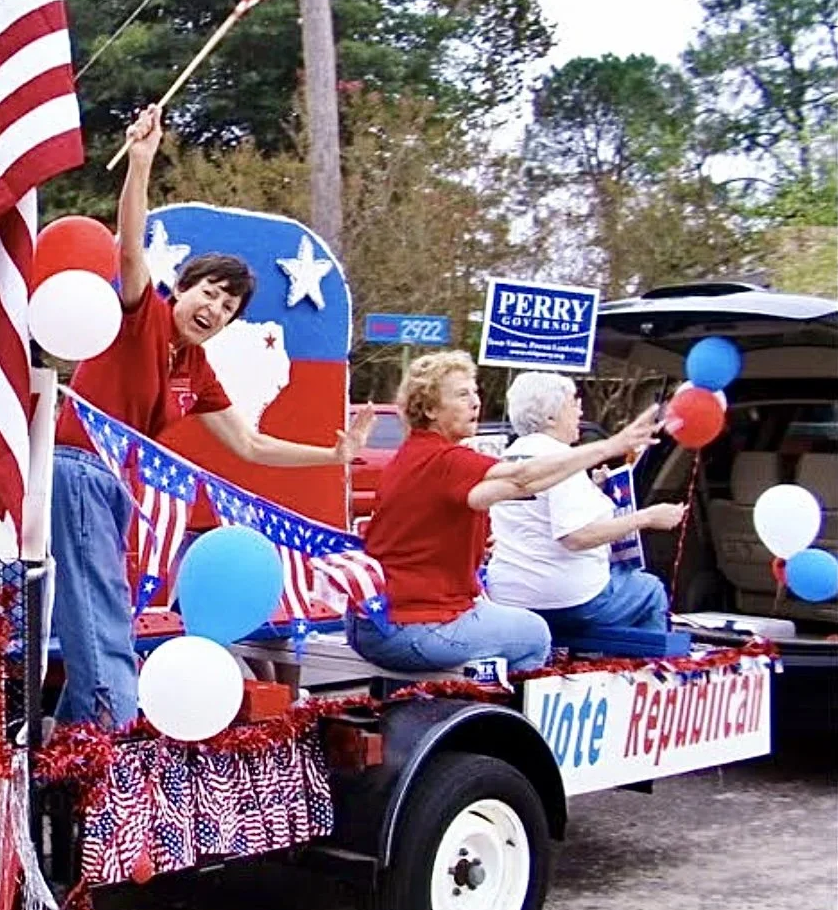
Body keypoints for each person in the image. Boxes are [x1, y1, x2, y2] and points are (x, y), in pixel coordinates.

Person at [51, 105, 373, 729]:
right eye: (209, 293)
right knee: (101, 620)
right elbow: (129, 246)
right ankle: (110, 739)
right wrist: (139, 164)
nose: (215, 308)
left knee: (100, 615)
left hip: (117, 485)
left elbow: (250, 445)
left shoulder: (196, 369)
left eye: (228, 306)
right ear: (185, 288)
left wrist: (332, 456)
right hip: (79, 466)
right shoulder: (140, 311)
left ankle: (69, 741)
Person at [353, 352, 662, 675]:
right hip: (411, 626)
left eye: (475, 392)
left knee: (508, 622)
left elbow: (506, 489)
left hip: (376, 620)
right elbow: (522, 478)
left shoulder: (413, 455)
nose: (475, 402)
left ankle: (473, 698)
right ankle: (502, 715)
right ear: (430, 409)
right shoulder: (446, 460)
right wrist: (610, 447)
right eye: (462, 395)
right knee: (533, 634)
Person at [485, 371, 686, 636]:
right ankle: (648, 673)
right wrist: (647, 517)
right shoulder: (560, 460)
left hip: (510, 597)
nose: (580, 411)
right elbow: (576, 537)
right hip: (569, 599)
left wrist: (595, 488)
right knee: (649, 591)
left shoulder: (507, 460)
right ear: (550, 417)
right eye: (573, 403)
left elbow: (537, 512)